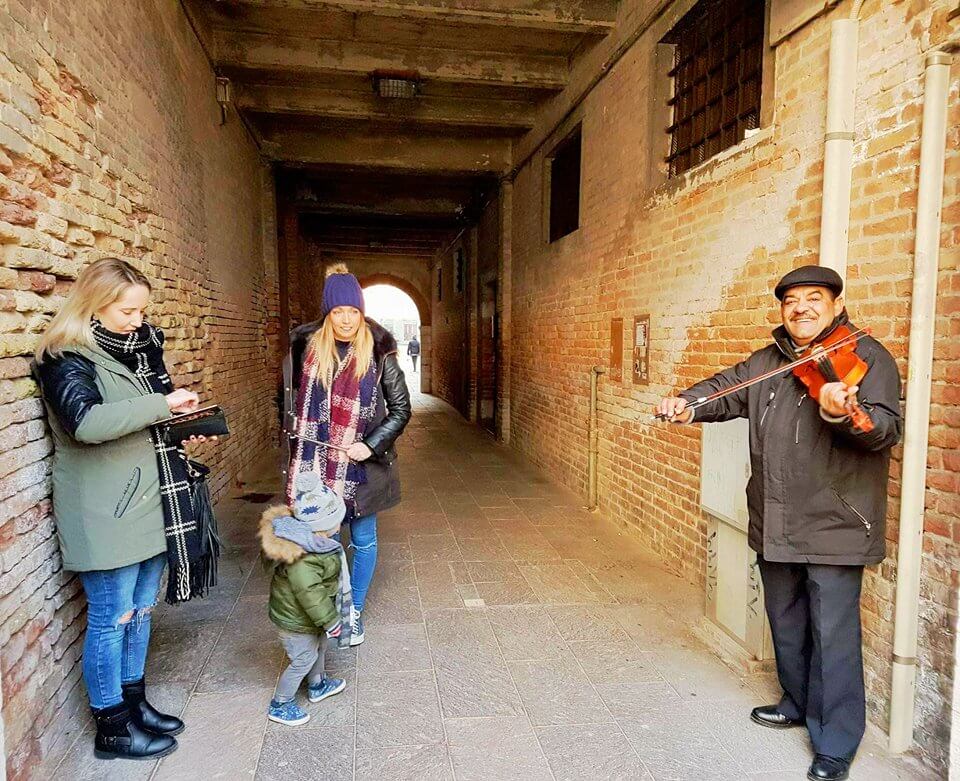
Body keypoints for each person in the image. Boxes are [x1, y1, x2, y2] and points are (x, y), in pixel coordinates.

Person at [655, 265, 902, 781]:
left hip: (836, 523)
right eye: (792, 300)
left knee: (832, 635)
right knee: (786, 621)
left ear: (835, 305)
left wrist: (845, 410)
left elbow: (883, 430)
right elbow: (726, 389)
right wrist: (688, 405)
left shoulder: (866, 358)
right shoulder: (768, 363)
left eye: (815, 298)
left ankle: (835, 742)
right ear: (782, 309)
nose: (802, 308)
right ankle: (796, 700)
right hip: (775, 518)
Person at [35, 258, 217, 760]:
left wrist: (183, 423)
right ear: (95, 303)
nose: (138, 320)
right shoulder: (63, 357)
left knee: (139, 613)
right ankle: (112, 726)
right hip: (104, 510)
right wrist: (164, 406)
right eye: (127, 310)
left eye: (141, 310)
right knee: (111, 616)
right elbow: (86, 422)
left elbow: (145, 418)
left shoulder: (135, 352)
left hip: (144, 499)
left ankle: (135, 703)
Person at [282, 263, 411, 647]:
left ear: (362, 311)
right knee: (321, 539)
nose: (346, 320)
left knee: (364, 538)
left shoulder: (381, 350)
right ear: (328, 313)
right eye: (338, 312)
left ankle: (353, 610)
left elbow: (402, 409)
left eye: (353, 311)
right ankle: (326, 607)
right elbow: (288, 403)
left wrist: (370, 444)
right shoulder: (306, 348)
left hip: (362, 467)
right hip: (314, 463)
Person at [259, 472, 350, 726]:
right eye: (337, 521)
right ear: (321, 528)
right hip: (296, 621)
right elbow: (310, 593)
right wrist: (331, 620)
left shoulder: (318, 544)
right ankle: (281, 703)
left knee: (320, 647)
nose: (339, 525)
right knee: (303, 659)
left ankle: (317, 685)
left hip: (308, 618)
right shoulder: (304, 558)